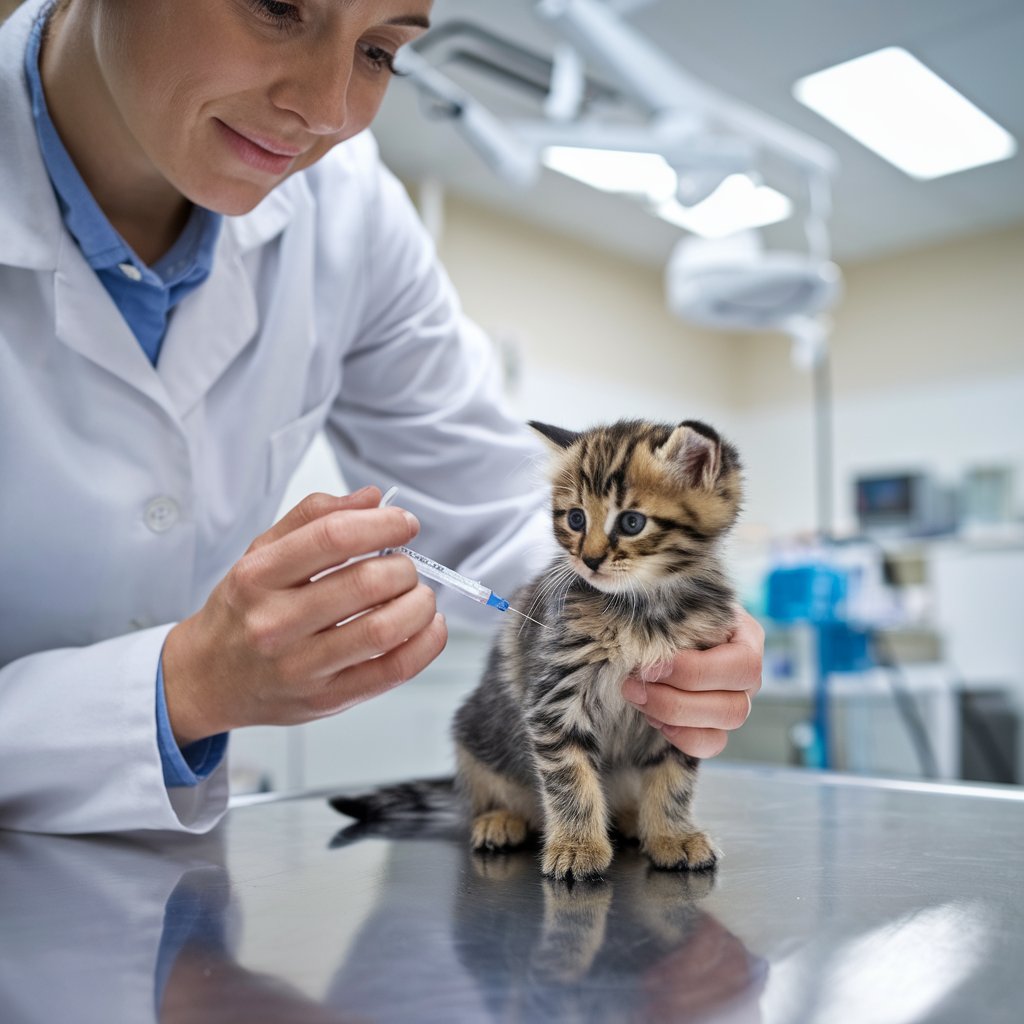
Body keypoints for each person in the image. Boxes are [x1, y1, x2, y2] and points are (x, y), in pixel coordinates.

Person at [0, 0, 764, 835]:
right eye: (276, 6)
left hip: (162, 889)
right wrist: (182, 687)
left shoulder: (349, 206)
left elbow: (484, 506)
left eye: (378, 49)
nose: (328, 111)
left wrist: (679, 611)